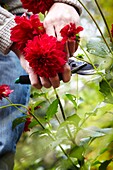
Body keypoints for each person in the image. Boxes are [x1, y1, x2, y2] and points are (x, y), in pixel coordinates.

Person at [0, 0, 82, 169]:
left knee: (3, 144)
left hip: (22, 21)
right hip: (14, 30)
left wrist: (66, 3)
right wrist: (9, 31)